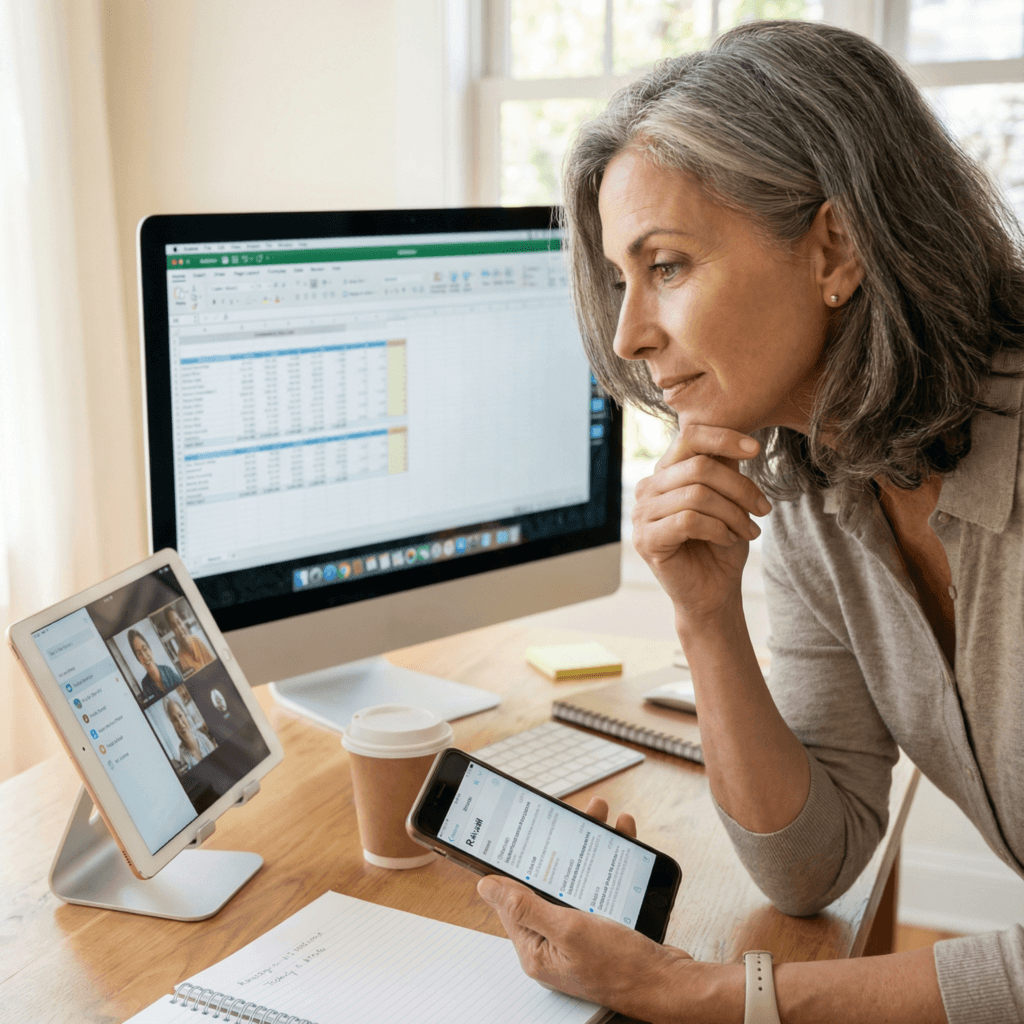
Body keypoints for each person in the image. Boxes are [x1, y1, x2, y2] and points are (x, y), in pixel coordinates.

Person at [475, 20, 1024, 1024]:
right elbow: (810, 864)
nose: (632, 335)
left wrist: (699, 992)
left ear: (835, 247)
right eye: (617, 280)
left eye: (669, 266)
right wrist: (704, 613)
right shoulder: (820, 480)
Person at [128, 628, 182, 702]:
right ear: (138, 659)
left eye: (145, 649)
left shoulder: (167, 670)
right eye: (139, 654)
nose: (144, 656)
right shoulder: (145, 684)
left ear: (150, 649)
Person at [164, 692, 216, 770]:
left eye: (180, 715)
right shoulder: (183, 755)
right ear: (173, 726)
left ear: (185, 715)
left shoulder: (201, 737)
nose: (180, 724)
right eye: (174, 720)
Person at [166, 606, 214, 675]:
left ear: (182, 621)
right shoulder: (181, 656)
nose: (179, 629)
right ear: (172, 631)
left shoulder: (197, 639)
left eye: (179, 622)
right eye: (174, 626)